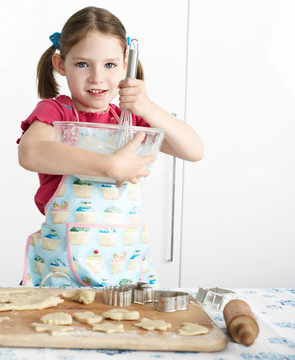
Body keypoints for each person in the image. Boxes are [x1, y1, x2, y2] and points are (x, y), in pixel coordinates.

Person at [17, 6, 203, 287]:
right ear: (60, 65)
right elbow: (30, 153)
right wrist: (109, 165)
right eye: (82, 64)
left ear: (125, 63)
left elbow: (194, 150)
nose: (97, 77)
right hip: (62, 275)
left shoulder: (129, 119)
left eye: (110, 65)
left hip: (124, 273)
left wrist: (148, 106)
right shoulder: (57, 112)